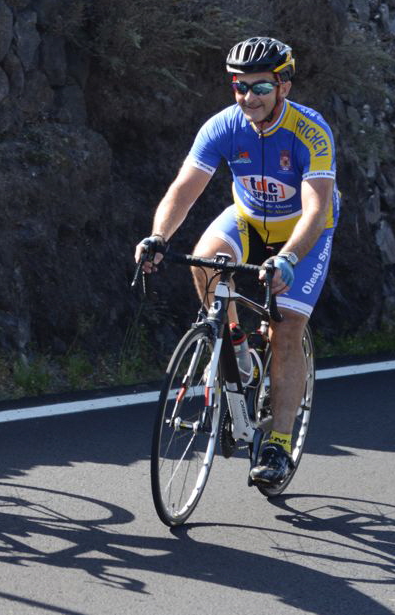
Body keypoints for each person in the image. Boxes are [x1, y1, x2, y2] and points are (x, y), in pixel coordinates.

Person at [135, 36, 338, 487]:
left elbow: (316, 208)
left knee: (286, 326)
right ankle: (236, 345)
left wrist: (287, 258)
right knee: (205, 260)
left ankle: (278, 445)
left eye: (260, 87)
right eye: (239, 86)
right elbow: (185, 187)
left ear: (284, 85)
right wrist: (158, 236)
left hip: (304, 232)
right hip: (248, 218)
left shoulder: (310, 131)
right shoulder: (223, 126)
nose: (249, 97)